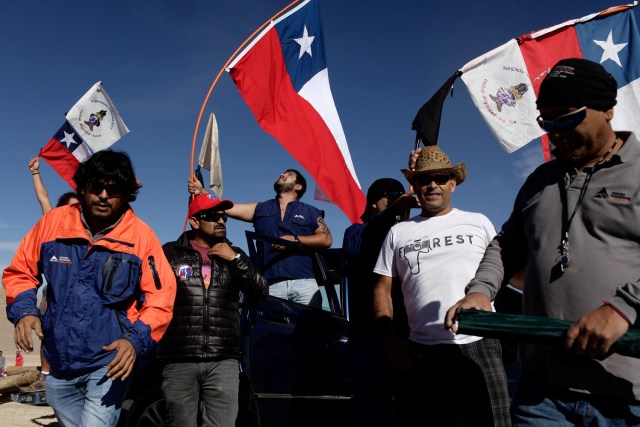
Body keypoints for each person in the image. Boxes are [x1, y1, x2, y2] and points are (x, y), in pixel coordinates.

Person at [445, 58, 640, 426]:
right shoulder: (539, 180)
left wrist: (622, 308)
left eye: (567, 117)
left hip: (626, 393)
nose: (556, 132)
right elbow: (507, 246)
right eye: (546, 122)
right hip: (541, 394)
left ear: (608, 109)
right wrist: (481, 291)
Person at [3, 150, 177, 426]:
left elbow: (161, 298)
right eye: (97, 186)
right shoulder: (53, 224)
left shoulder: (142, 238)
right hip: (59, 363)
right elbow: (20, 272)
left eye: (114, 189)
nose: (104, 195)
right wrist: (25, 311)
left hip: (109, 363)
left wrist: (134, 340)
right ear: (83, 188)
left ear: (126, 194)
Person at [372, 145, 510, 426]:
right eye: (424, 179)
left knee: (495, 421)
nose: (432, 184)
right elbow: (381, 288)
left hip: (480, 342)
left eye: (440, 178)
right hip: (421, 351)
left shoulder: (478, 222)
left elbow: (505, 269)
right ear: (415, 186)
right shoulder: (398, 232)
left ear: (453, 183)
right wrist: (389, 340)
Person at [158, 193, 269, 427]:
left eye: (223, 216)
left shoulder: (235, 255)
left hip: (223, 360)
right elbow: (151, 298)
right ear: (194, 221)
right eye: (212, 216)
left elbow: (261, 292)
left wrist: (236, 259)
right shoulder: (168, 254)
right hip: (179, 359)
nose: (221, 221)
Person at [190, 169, 331, 308]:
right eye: (282, 173)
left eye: (289, 174)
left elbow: (326, 239)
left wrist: (294, 240)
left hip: (304, 283)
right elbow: (224, 207)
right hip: (270, 285)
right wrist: (201, 190)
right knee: (272, 330)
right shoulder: (260, 208)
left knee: (309, 330)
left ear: (298, 187)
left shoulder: (310, 211)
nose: (282, 174)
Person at [342, 178, 417, 427]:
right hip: (369, 336)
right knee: (372, 408)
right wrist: (393, 213)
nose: (398, 202)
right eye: (392, 197)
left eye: (400, 197)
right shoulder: (355, 232)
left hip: (410, 335)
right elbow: (360, 245)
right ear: (375, 203)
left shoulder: (409, 234)